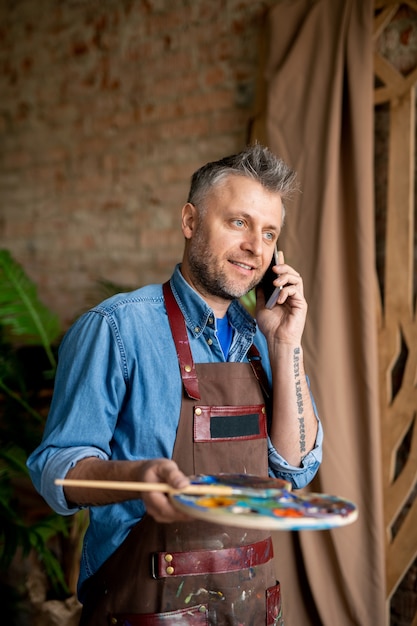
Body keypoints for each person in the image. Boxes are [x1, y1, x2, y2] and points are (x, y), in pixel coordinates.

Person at [27, 143, 323, 625]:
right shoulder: (117, 329)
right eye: (238, 222)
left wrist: (287, 344)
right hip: (142, 607)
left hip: (252, 610)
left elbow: (294, 471)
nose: (255, 247)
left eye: (269, 233)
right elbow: (56, 472)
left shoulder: (265, 339)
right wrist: (136, 479)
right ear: (189, 221)